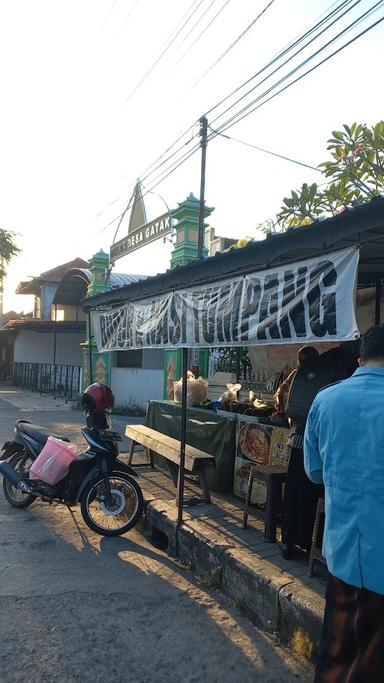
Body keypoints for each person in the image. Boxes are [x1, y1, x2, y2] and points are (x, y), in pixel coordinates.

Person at [304, 325, 384, 682]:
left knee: (336, 654)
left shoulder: (326, 399)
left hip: (341, 553)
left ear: (359, 356)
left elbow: (314, 472)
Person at [274, 346, 322, 560]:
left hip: (297, 442)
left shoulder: (296, 375)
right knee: (312, 493)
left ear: (300, 359)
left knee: (292, 492)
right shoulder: (325, 378)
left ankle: (288, 540)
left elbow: (279, 397)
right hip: (318, 445)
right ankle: (309, 542)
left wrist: (287, 417)